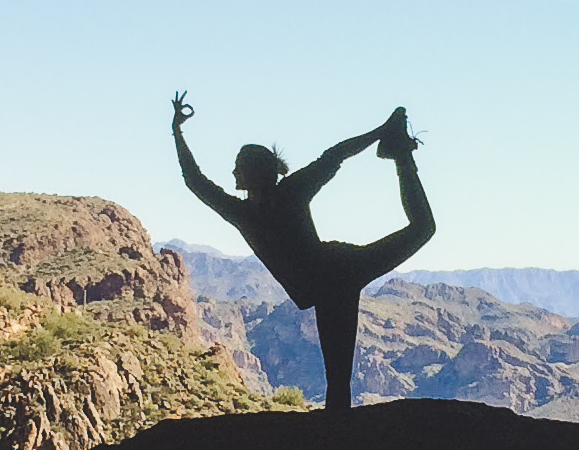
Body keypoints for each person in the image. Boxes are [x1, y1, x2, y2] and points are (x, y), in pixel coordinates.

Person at [172, 92, 435, 413]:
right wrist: (177, 131)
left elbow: (195, 180)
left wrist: (178, 131)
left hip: (335, 278)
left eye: (239, 167)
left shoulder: (252, 209)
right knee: (337, 377)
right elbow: (333, 156)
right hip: (336, 275)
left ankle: (399, 152)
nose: (233, 173)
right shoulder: (277, 197)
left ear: (258, 171)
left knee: (338, 377)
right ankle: (398, 153)